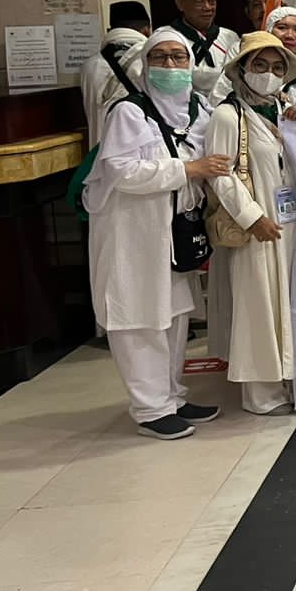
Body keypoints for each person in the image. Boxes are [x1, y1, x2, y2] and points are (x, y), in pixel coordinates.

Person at [84, 29, 227, 440]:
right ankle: (150, 409)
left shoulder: (197, 111)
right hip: (132, 231)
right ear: (145, 65)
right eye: (159, 57)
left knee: (174, 314)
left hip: (173, 231)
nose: (169, 65)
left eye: (178, 57)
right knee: (138, 316)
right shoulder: (129, 111)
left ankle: (171, 395)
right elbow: (122, 171)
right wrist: (188, 170)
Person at [205, 32, 296, 415]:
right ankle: (262, 394)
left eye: (277, 67)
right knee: (259, 304)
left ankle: (291, 379)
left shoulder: (285, 111)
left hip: (291, 226)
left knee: (289, 304)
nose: (269, 74)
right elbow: (220, 174)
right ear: (242, 69)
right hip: (257, 228)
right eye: (260, 65)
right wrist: (252, 217)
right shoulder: (227, 115)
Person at [81, 1, 150, 146]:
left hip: (100, 150)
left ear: (110, 30)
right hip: (140, 151)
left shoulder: (90, 65)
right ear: (146, 31)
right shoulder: (150, 60)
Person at [172, 0, 238, 104]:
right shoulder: (167, 38)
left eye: (212, 1)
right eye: (199, 2)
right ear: (180, 3)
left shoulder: (230, 37)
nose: (207, 7)